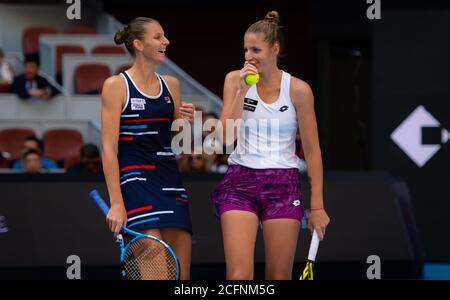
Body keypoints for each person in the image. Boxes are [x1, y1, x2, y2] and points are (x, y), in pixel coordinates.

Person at [211, 11, 330, 280]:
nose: (248, 56)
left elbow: (312, 151)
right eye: (245, 50)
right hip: (239, 182)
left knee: (278, 276)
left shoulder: (299, 90)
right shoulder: (234, 80)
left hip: (283, 185)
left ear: (275, 49)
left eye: (256, 49)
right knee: (239, 277)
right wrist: (241, 91)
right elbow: (225, 139)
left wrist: (318, 207)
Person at [101, 17, 195, 280]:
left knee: (181, 280)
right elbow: (108, 148)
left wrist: (186, 123)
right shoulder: (116, 86)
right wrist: (117, 203)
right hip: (136, 188)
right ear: (139, 44)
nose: (166, 41)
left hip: (172, 185)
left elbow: (180, 143)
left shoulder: (171, 85)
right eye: (158, 37)